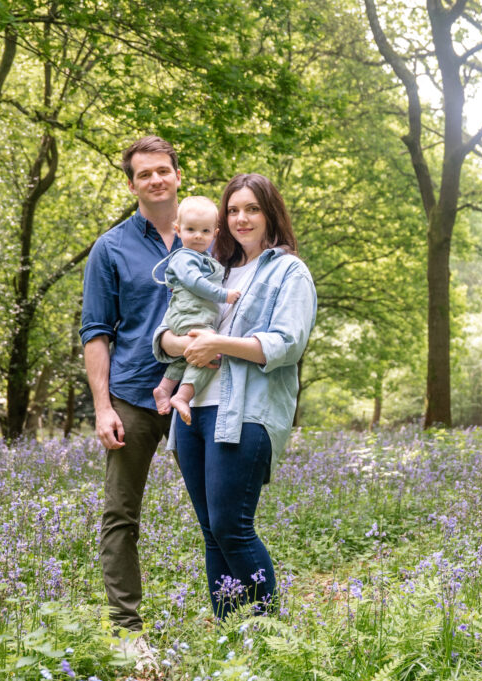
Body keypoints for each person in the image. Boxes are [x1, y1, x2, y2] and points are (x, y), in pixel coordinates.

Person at [154, 173, 317, 619]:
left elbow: (286, 343)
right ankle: (231, 636)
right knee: (211, 531)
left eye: (252, 209)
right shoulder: (210, 267)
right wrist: (175, 343)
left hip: (245, 413)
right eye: (233, 210)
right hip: (192, 414)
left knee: (232, 527)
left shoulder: (288, 271)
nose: (241, 218)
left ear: (270, 214)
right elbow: (170, 325)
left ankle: (267, 632)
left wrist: (217, 344)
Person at [80, 135, 182, 665]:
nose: (156, 180)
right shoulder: (111, 247)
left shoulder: (209, 236)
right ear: (132, 183)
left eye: (163, 170)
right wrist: (102, 408)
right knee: (121, 514)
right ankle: (128, 633)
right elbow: (96, 332)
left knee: (220, 511)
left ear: (177, 175)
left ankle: (238, 616)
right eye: (145, 174)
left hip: (200, 395)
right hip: (133, 397)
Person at [151, 196, 241, 424]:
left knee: (189, 356)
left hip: (197, 317)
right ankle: (182, 396)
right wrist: (224, 295)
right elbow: (193, 282)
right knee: (211, 347)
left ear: (215, 233)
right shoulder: (184, 258)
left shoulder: (205, 258)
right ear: (178, 230)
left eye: (205, 230)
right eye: (191, 229)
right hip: (187, 316)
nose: (198, 235)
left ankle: (164, 388)